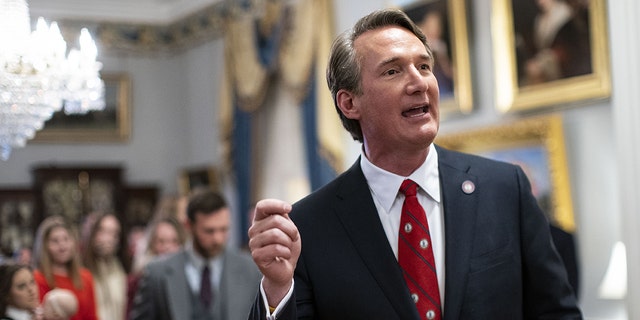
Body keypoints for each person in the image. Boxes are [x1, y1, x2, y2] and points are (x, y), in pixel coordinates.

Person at [247, 8, 581, 320]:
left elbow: (557, 312)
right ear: (349, 103)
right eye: (393, 71)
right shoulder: (308, 225)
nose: (419, 82)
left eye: (424, 66)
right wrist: (277, 289)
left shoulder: (505, 189)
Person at [129, 190, 261, 320]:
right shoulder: (157, 274)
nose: (218, 239)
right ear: (189, 226)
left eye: (224, 229)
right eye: (209, 231)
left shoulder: (250, 270)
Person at [32, 216, 98, 320]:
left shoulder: (86, 276)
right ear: (45, 246)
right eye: (55, 241)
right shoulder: (37, 278)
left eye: (66, 239)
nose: (62, 246)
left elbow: (92, 316)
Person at [125, 217, 186, 318]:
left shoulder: (189, 278)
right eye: (161, 242)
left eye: (174, 241)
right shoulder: (138, 280)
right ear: (152, 244)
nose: (167, 247)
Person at [81, 213, 127, 320]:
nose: (109, 238)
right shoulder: (82, 270)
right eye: (103, 231)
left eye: (114, 234)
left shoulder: (119, 268)